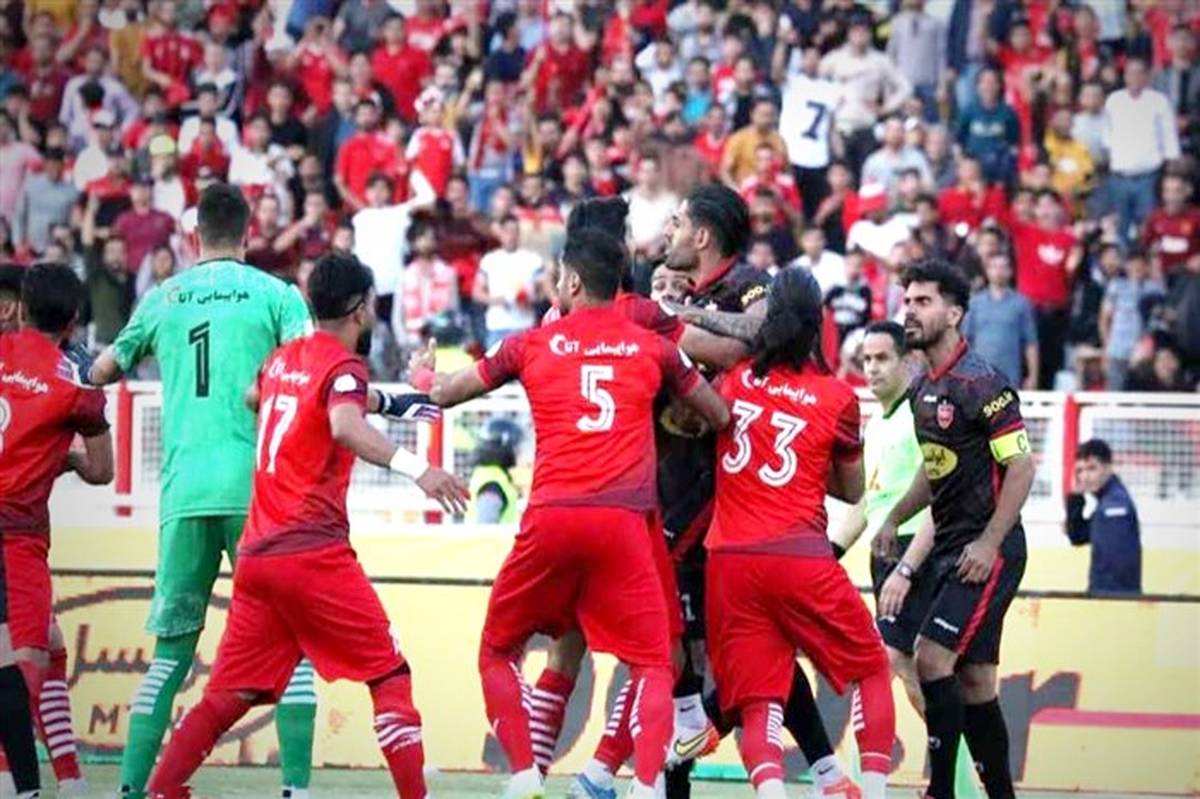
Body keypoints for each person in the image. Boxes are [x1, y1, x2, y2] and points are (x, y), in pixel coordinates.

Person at [144, 252, 469, 799]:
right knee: (389, 676)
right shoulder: (343, 365)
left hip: (258, 555)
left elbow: (257, 396)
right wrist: (421, 470)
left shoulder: (282, 360)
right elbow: (343, 424)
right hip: (311, 552)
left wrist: (396, 401)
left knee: (229, 695)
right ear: (360, 309)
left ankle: (161, 790)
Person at [420, 227, 730, 799]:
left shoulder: (531, 343)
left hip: (552, 517)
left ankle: (523, 775)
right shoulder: (653, 347)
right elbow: (718, 414)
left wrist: (422, 378)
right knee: (654, 663)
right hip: (625, 523)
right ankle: (646, 786)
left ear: (573, 283)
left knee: (497, 649)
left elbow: (445, 393)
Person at [89, 184, 319, 799]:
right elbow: (309, 368)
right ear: (248, 233)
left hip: (183, 494)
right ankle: (296, 790)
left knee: (168, 655)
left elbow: (103, 370)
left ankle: (131, 789)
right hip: (258, 495)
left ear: (193, 237)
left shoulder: (162, 297)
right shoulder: (276, 294)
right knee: (290, 643)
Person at [705, 269, 894, 799]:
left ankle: (771, 793)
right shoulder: (837, 397)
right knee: (871, 668)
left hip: (729, 561)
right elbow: (852, 491)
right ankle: (874, 792)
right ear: (818, 326)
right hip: (798, 555)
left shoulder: (735, 378)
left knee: (760, 699)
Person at [874, 259, 1036, 799]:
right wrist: (895, 516)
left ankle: (939, 790)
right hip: (947, 546)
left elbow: (1021, 467)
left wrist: (989, 543)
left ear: (955, 313)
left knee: (930, 658)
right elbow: (933, 467)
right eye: (907, 301)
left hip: (989, 549)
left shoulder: (984, 384)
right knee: (976, 682)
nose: (909, 311)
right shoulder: (923, 388)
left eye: (922, 302)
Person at [832, 322, 981, 797]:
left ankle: (957, 777)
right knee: (915, 667)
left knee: (901, 658)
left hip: (921, 551)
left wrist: (908, 565)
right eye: (866, 359)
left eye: (882, 358)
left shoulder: (920, 415)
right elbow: (869, 501)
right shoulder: (876, 424)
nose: (872, 368)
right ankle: (958, 775)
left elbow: (940, 491)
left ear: (907, 362)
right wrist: (831, 552)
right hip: (887, 556)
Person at [0, 263, 114, 798]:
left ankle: (69, 777)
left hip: (20, 532)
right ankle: (14, 781)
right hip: (15, 537)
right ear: (72, 322)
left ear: (21, 308)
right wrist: (61, 459)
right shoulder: (76, 387)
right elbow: (102, 470)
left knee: (49, 643)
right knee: (24, 665)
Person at [1103, 57, 1181, 250]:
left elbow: (1169, 136)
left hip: (1149, 177)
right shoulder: (1114, 100)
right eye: (1130, 73)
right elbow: (1107, 135)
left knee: (1148, 227)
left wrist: (1171, 166)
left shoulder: (1159, 101)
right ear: (1125, 76)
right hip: (1119, 177)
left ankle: (1147, 262)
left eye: (1139, 73)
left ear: (1147, 76)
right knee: (1120, 227)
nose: (1134, 77)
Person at [1065, 439, 1142, 596]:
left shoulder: (1114, 505)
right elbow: (1078, 537)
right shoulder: (1107, 502)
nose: (1085, 477)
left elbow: (1114, 566)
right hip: (1110, 596)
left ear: (1108, 467)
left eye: (1092, 468)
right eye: (1080, 471)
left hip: (1113, 598)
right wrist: (1075, 500)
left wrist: (1100, 599)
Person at [963, 252, 1039, 389]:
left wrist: (1033, 376)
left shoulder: (1021, 304)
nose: (999, 272)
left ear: (1010, 271)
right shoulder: (975, 303)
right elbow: (965, 341)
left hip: (1009, 377)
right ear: (987, 271)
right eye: (994, 267)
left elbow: (1031, 343)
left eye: (1003, 267)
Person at [469, 417, 524, 524]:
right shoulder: (492, 484)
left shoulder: (489, 475)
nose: (518, 452)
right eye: (515, 447)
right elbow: (486, 525)